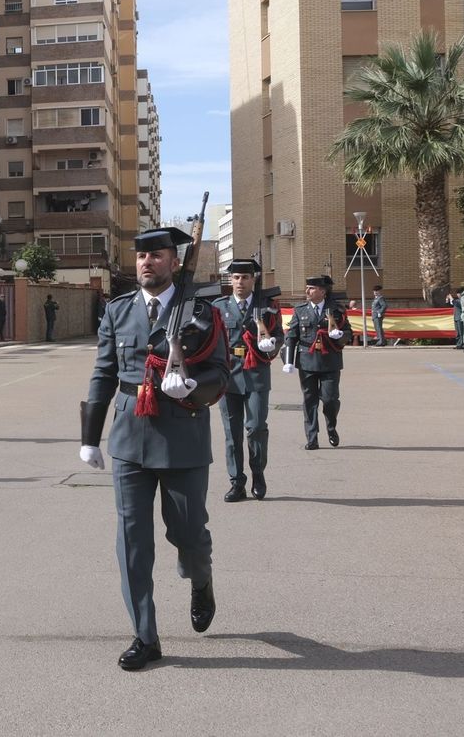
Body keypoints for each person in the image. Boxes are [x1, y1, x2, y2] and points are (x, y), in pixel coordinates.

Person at [78, 226, 230, 672]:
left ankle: (200, 580)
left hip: (182, 432)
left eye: (157, 255)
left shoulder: (201, 311)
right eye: (142, 256)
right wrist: (89, 437)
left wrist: (193, 387)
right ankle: (145, 636)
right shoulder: (118, 310)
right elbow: (104, 372)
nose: (147, 262)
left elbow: (222, 372)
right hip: (129, 434)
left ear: (175, 262)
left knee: (189, 535)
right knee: (131, 540)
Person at [213, 260, 282, 502]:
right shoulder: (219, 306)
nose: (240, 282)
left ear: (254, 279)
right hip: (228, 374)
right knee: (232, 433)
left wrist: (272, 344)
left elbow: (279, 335)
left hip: (256, 373)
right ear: (230, 280)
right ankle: (236, 482)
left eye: (245, 277)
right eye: (236, 277)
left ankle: (258, 474)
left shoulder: (267, 306)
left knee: (256, 427)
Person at [283, 274, 353, 449]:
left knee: (330, 400)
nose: (307, 291)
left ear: (322, 291)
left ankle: (331, 427)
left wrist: (340, 335)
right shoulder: (300, 310)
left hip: (330, 361)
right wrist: (288, 360)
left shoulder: (336, 310)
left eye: (312, 288)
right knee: (309, 400)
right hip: (307, 361)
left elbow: (348, 333)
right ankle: (312, 437)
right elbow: (291, 336)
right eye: (307, 287)